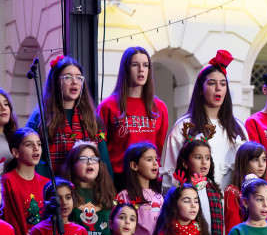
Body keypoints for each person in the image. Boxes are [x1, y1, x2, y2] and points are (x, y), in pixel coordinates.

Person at [161, 50, 246, 191]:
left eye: (223, 84)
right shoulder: (184, 126)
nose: (218, 88)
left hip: (233, 208)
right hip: (196, 206)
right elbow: (169, 177)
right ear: (200, 89)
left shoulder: (238, 127)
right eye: (212, 83)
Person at [27, 55, 110, 180]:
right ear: (56, 81)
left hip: (87, 189)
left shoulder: (93, 119)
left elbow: (103, 160)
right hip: (53, 187)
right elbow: (30, 154)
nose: (74, 82)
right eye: (67, 77)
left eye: (79, 77)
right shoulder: (41, 117)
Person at [98, 46, 169, 190]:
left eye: (145, 65)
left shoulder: (159, 108)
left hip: (149, 180)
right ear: (126, 68)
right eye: (135, 65)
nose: (141, 69)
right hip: (118, 180)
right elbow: (101, 148)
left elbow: (160, 148)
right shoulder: (108, 106)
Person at [223, 142, 267, 235]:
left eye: (264, 160)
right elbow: (232, 230)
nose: (261, 164)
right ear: (244, 162)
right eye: (256, 160)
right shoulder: (233, 192)